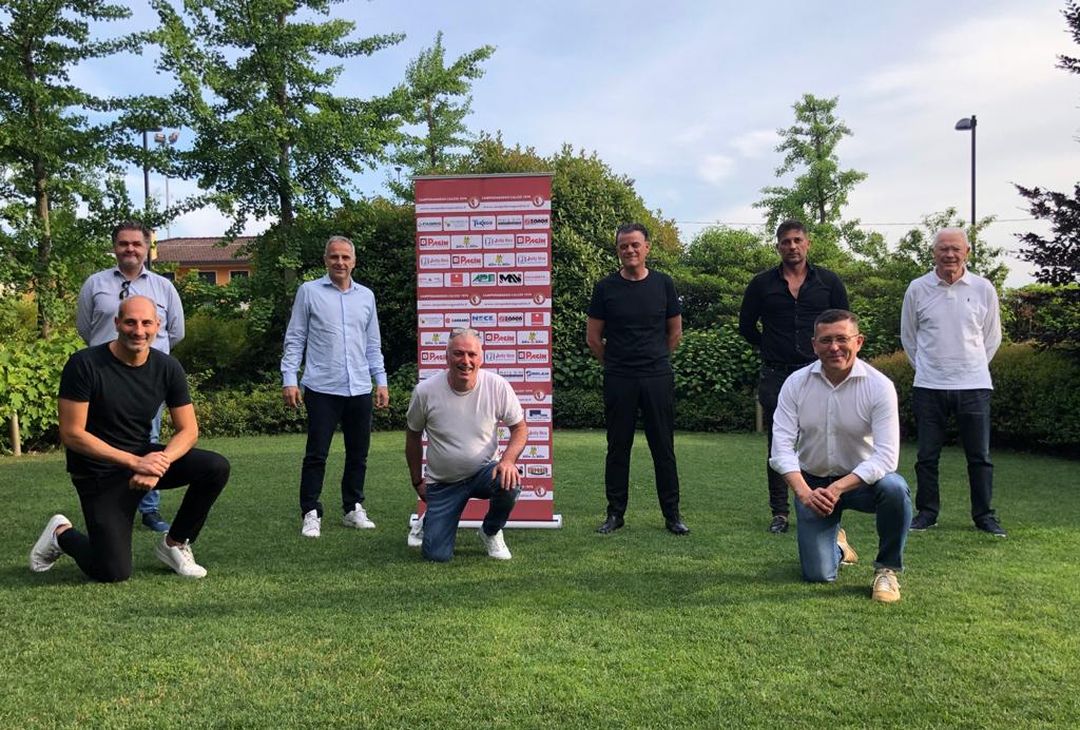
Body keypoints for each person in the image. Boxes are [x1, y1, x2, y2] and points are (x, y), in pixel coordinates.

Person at [29, 296, 230, 582]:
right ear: (116, 323)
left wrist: (159, 463)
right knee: (112, 572)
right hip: (97, 472)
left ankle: (174, 544)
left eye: (146, 323)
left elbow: (188, 430)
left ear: (157, 326)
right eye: (130, 322)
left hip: (142, 461)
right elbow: (72, 434)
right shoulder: (84, 364)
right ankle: (61, 534)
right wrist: (136, 462)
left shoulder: (167, 367)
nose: (139, 330)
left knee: (214, 467)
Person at [770, 309, 911, 603]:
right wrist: (804, 493)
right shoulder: (795, 384)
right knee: (818, 575)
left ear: (858, 341)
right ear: (814, 345)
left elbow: (886, 456)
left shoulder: (879, 386)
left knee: (895, 488)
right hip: (813, 486)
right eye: (826, 340)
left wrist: (837, 488)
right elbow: (781, 447)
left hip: (863, 484)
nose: (834, 347)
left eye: (842, 339)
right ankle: (839, 547)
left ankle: (886, 569)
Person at [739, 220, 849, 534]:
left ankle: (824, 504)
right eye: (786, 241)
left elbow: (844, 324)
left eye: (797, 240)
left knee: (823, 439)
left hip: (819, 372)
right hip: (776, 373)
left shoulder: (828, 282)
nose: (792, 246)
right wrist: (770, 345)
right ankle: (780, 512)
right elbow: (746, 326)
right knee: (779, 443)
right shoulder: (761, 284)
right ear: (778, 246)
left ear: (807, 243)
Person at [76, 220, 185, 533]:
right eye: (123, 243)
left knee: (148, 439)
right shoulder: (95, 284)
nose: (130, 249)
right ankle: (109, 503)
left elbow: (176, 331)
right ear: (114, 247)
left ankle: (149, 508)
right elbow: (85, 327)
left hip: (147, 380)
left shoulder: (163, 287)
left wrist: (147, 358)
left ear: (147, 248)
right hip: (102, 379)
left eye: (137, 244)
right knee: (101, 441)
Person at [281, 236, 389, 538]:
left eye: (345, 257)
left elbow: (372, 343)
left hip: (359, 387)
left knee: (358, 454)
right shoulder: (309, 292)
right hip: (322, 387)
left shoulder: (366, 296)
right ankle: (311, 512)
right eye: (334, 257)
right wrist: (289, 378)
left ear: (354, 261)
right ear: (325, 260)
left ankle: (353, 507)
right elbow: (295, 337)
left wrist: (380, 380)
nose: (339, 262)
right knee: (316, 454)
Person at [901, 228, 1005, 536]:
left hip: (974, 385)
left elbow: (992, 336)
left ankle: (984, 516)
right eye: (943, 248)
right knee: (926, 456)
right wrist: (928, 368)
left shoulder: (983, 288)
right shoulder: (918, 288)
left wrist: (971, 366)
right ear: (933, 252)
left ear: (967, 252)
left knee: (980, 457)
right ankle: (927, 513)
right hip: (929, 386)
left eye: (956, 249)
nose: (949, 254)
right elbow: (909, 336)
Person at [586, 223, 687, 535]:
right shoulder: (605, 288)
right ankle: (615, 514)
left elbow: (675, 332)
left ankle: (672, 516)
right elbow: (593, 338)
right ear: (618, 250)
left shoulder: (663, 284)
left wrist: (655, 358)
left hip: (657, 376)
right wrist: (615, 364)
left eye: (635, 245)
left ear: (647, 248)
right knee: (618, 447)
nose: (629, 250)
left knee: (663, 447)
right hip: (619, 377)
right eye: (623, 246)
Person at [404, 328, 527, 562]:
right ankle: (429, 519)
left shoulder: (497, 386)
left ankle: (490, 531)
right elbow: (412, 436)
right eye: (458, 353)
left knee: (509, 482)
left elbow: (520, 428)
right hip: (443, 483)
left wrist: (508, 461)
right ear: (447, 357)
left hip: (483, 472)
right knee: (437, 556)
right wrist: (417, 481)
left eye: (472, 354)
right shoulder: (425, 392)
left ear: (481, 358)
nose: (466, 361)